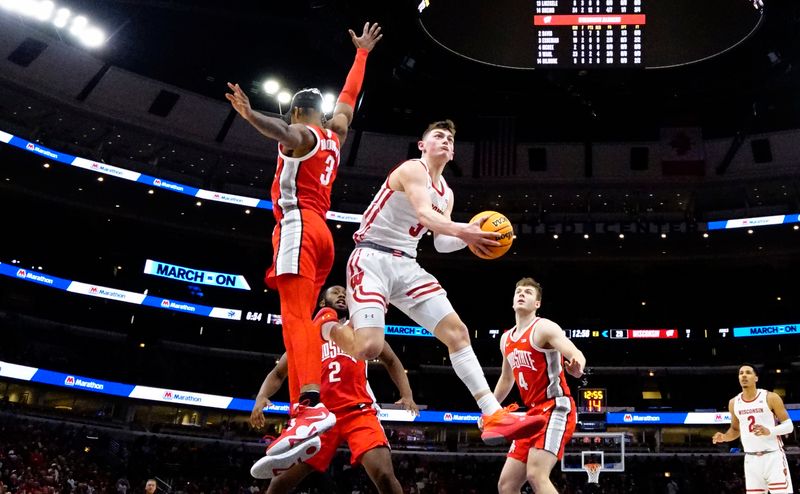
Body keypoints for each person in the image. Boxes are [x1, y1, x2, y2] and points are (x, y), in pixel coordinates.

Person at [322, 119, 545, 445]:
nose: (444, 141)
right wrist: (465, 230)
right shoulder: (413, 169)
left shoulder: (447, 194)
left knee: (457, 333)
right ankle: (326, 327)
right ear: (422, 145)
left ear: (452, 152)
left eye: (449, 139)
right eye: (437, 136)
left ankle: (492, 413)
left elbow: (440, 241)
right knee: (369, 347)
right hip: (371, 257)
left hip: (407, 264)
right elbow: (425, 216)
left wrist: (469, 238)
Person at [225, 22, 383, 462]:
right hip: (324, 236)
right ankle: (303, 416)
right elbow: (349, 98)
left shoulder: (305, 135)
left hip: (298, 227)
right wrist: (362, 55)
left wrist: (251, 115)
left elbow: (283, 133)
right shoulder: (337, 133)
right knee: (304, 330)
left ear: (297, 113)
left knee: (295, 321)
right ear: (321, 111)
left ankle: (310, 407)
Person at [249, 286, 415, 494]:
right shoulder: (308, 335)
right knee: (279, 484)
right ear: (322, 303)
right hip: (319, 418)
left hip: (358, 411)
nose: (342, 295)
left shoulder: (358, 330)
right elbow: (278, 373)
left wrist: (406, 394)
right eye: (335, 292)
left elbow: (391, 360)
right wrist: (262, 396)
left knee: (384, 475)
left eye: (345, 293)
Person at [493, 277, 585, 494]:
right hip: (532, 413)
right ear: (513, 300)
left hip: (556, 407)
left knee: (536, 474)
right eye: (518, 292)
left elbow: (575, 353)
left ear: (537, 304)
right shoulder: (506, 339)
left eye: (528, 292)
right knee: (506, 485)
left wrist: (577, 366)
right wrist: (489, 408)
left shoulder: (544, 327)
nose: (521, 294)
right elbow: (507, 379)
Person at [712, 364, 794, 494]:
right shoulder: (733, 403)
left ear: (756, 378)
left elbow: (789, 426)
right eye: (741, 373)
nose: (744, 375)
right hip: (751, 459)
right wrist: (724, 437)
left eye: (748, 372)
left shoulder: (770, 397)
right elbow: (734, 429)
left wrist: (769, 431)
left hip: (773, 457)